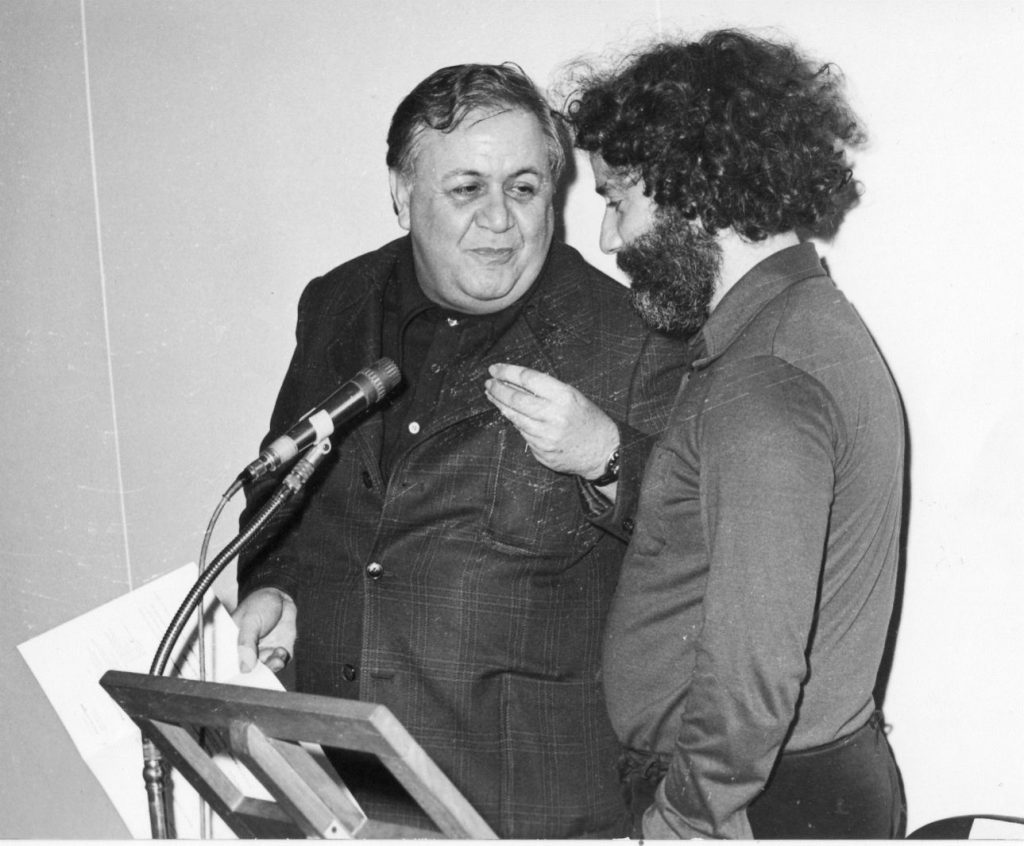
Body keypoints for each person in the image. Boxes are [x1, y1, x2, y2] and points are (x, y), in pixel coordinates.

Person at [232, 62, 685, 838]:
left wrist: (609, 456)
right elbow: (283, 493)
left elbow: (700, 549)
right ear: (403, 193)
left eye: (524, 188)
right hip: (338, 783)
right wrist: (275, 584)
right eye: (467, 189)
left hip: (523, 806)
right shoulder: (336, 303)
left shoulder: (633, 338)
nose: (500, 220)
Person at [486, 30, 907, 839]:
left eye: (616, 198)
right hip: (775, 791)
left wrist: (682, 819)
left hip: (749, 808)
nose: (607, 239)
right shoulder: (791, 330)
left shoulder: (767, 376)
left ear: (692, 186)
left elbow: (755, 670)